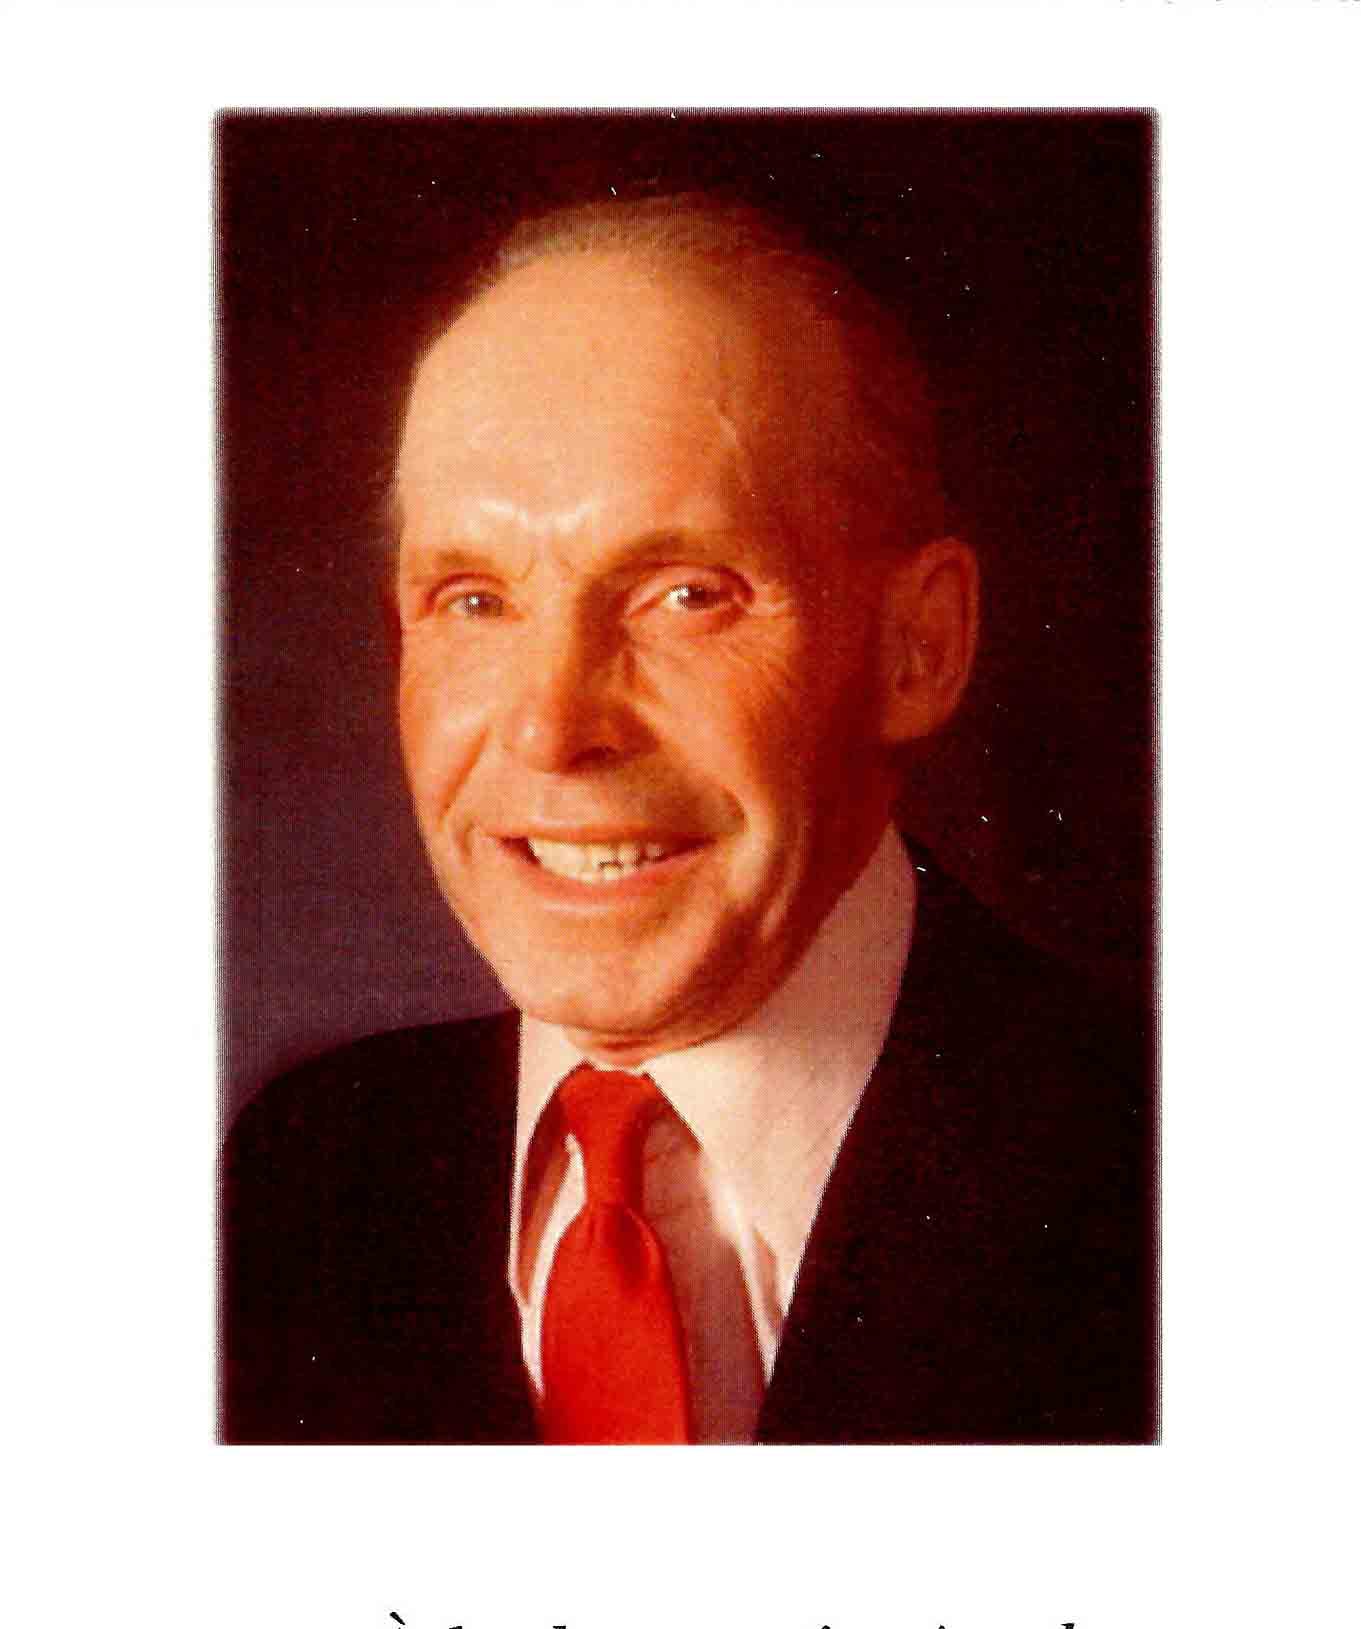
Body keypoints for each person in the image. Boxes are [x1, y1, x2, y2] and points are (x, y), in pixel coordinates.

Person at [222, 194, 1154, 1446]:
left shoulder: (1160, 1174)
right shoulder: (297, 1177)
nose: (552, 727)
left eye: (685, 594)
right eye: (474, 599)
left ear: (917, 647)